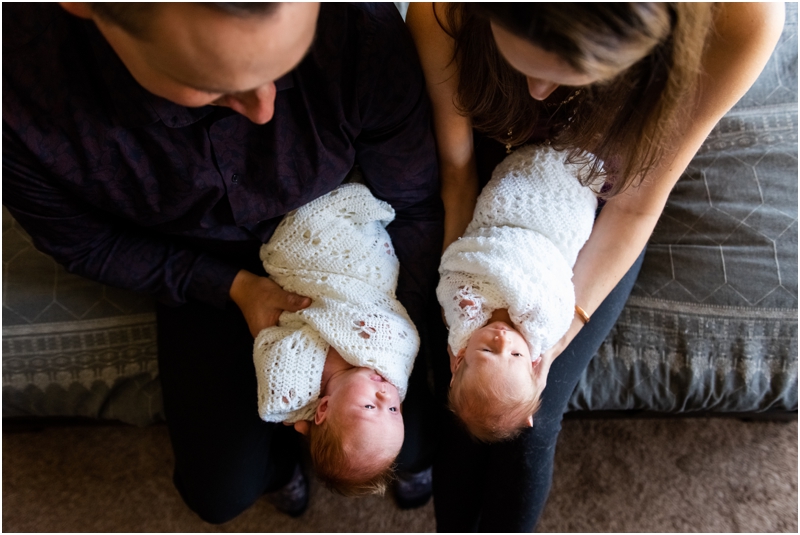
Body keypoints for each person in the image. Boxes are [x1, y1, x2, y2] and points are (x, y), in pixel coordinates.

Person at [3, 2, 443, 523]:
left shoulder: (355, 26)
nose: (264, 110)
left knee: (413, 445)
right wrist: (231, 286)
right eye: (215, 86)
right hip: (199, 256)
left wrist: (390, 314)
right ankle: (282, 470)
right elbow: (85, 243)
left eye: (284, 68)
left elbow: (412, 199)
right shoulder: (23, 95)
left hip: (338, 238)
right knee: (219, 494)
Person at [406, 2, 784, 531]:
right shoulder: (444, 10)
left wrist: (561, 329)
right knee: (460, 396)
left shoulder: (743, 20)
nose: (537, 91)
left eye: (564, 71)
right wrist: (459, 279)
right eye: (522, 62)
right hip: (494, 195)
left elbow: (635, 203)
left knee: (527, 427)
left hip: (595, 200)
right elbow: (459, 171)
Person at [253, 183, 419, 496]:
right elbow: (404, 335)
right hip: (361, 271)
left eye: (370, 406)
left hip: (306, 265)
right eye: (395, 411)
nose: (386, 394)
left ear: (323, 409)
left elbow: (269, 341)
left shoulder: (297, 385)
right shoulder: (390, 363)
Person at [437, 144, 597, 442]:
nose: (502, 340)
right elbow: (559, 295)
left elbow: (453, 270)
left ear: (458, 360)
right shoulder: (542, 332)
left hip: (502, 220)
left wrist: (466, 306)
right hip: (550, 237)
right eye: (515, 354)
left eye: (487, 351)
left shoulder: (460, 320)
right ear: (534, 363)